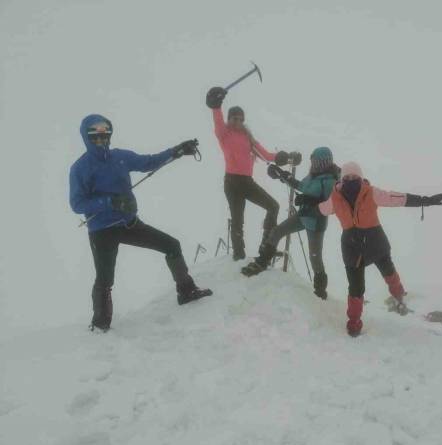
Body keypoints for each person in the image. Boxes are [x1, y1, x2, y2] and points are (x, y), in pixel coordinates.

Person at [69, 114, 212, 332]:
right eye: (95, 136)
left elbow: (149, 162)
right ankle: (100, 324)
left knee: (171, 245)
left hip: (129, 223)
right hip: (102, 230)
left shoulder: (120, 157)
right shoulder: (80, 167)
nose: (101, 140)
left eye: (104, 135)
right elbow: (77, 204)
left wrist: (177, 151)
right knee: (105, 279)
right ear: (86, 138)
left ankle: (186, 291)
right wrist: (111, 201)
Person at [312, 161, 442, 336]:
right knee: (355, 287)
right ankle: (354, 322)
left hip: (375, 242)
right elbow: (320, 209)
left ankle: (399, 296)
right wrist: (306, 205)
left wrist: (424, 201)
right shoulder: (334, 198)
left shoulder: (371, 192)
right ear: (342, 180)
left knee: (389, 273)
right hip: (352, 248)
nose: (351, 179)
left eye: (355, 177)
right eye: (347, 177)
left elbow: (397, 198)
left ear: (360, 178)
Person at [240, 147, 340, 300]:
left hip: (316, 224)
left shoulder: (331, 182)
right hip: (303, 216)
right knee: (278, 231)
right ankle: (262, 262)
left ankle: (320, 292)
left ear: (322, 162)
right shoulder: (314, 175)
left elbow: (330, 207)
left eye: (314, 161)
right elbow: (301, 186)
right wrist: (282, 175)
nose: (312, 164)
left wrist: (308, 201)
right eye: (311, 161)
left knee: (315, 258)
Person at [206, 87, 289, 260]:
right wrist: (216, 105)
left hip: (246, 182)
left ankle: (267, 245)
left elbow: (267, 155)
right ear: (229, 119)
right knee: (237, 220)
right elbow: (217, 119)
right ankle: (239, 255)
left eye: (241, 119)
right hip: (231, 181)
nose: (238, 121)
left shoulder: (248, 138)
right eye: (235, 118)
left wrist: (284, 157)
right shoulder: (224, 134)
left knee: (273, 206)